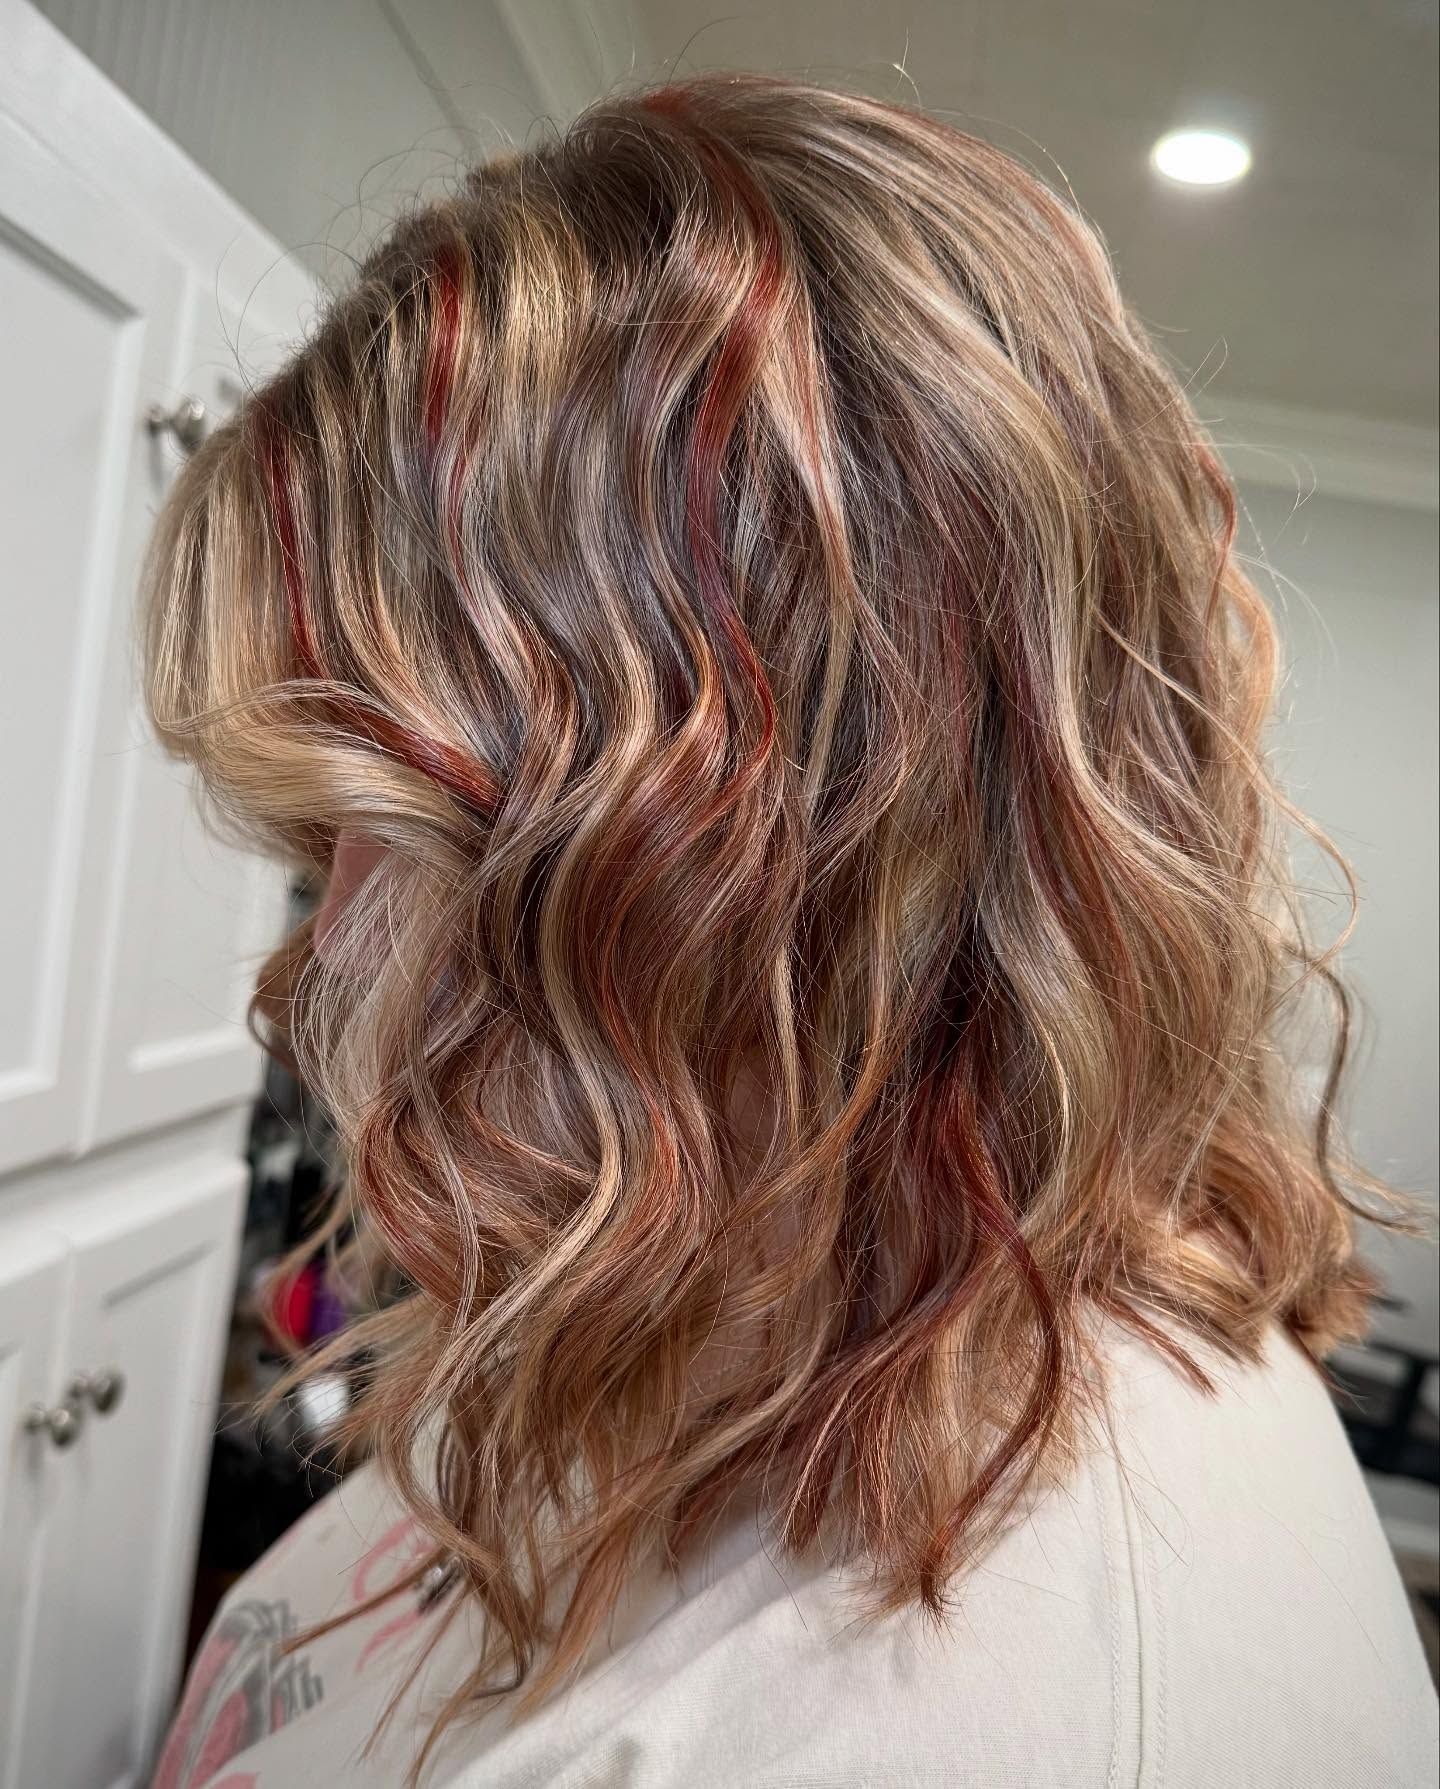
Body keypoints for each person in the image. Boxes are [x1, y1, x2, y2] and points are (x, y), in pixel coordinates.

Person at [146, 75, 1436, 1789]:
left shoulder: (988, 1727)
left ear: (776, 860)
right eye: (318, 859)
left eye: (393, 844)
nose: (295, 985)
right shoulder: (734, 1255)